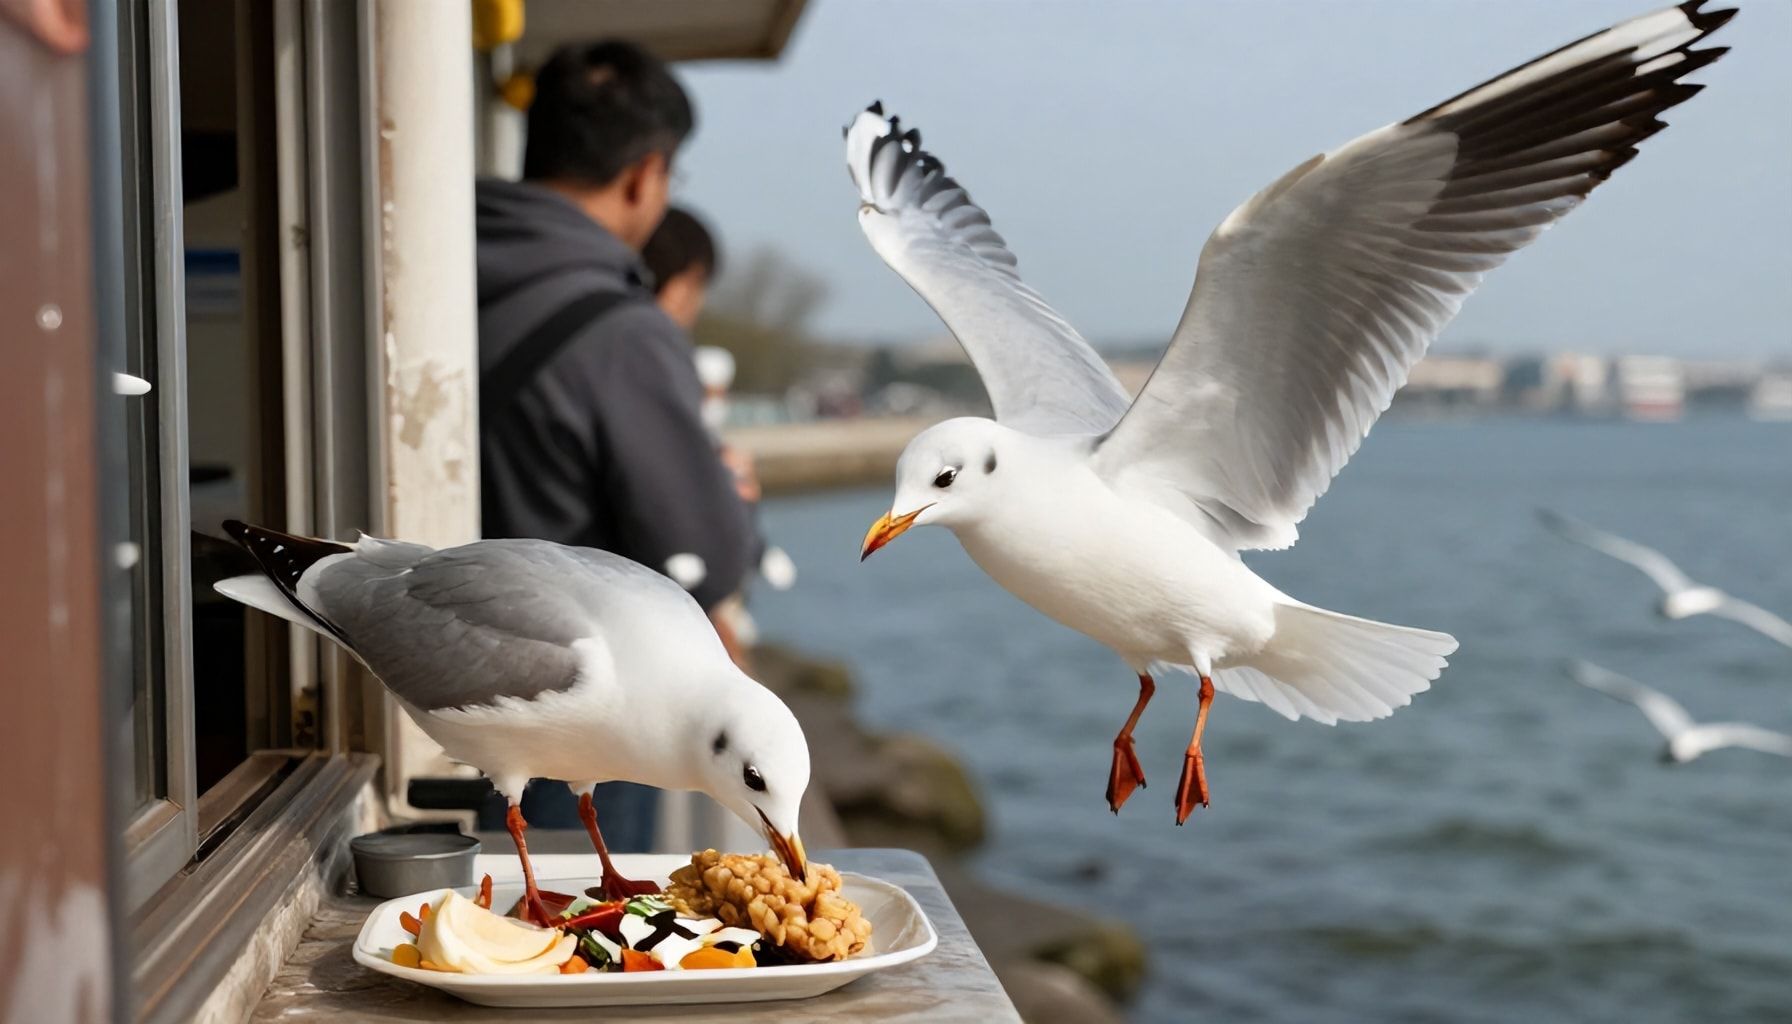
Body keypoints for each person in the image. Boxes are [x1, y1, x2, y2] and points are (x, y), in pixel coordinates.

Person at [473, 41, 756, 847]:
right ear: (646, 175)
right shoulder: (623, 332)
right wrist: (732, 498)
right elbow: (702, 558)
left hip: (430, 688)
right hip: (572, 726)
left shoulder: (412, 269)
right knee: (586, 911)